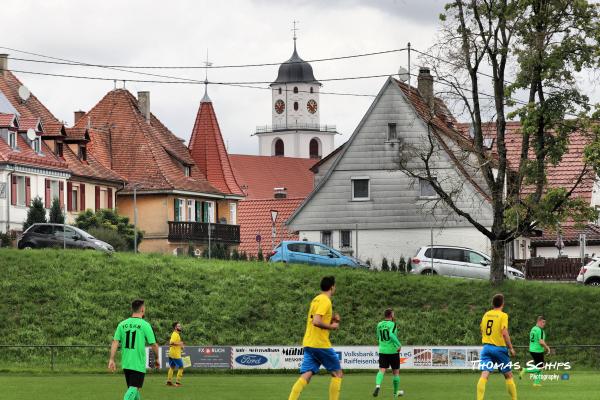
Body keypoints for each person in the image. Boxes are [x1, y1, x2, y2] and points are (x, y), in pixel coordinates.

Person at [288, 276, 342, 400]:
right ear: (332, 287)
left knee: (307, 374)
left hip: (309, 343)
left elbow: (316, 319)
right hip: (320, 344)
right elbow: (317, 321)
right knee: (337, 374)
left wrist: (332, 320)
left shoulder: (316, 299)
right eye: (335, 286)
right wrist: (333, 326)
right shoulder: (325, 300)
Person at [109, 299, 160, 400]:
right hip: (138, 363)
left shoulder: (122, 324)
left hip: (126, 362)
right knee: (133, 388)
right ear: (142, 309)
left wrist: (111, 359)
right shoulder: (145, 325)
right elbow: (153, 344)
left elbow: (115, 342)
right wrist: (157, 358)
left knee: (134, 389)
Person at [477, 293, 517, 400]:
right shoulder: (503, 315)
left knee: (484, 375)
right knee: (508, 376)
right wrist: (511, 348)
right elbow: (504, 333)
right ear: (502, 304)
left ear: (493, 303)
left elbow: (482, 329)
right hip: (499, 349)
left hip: (486, 348)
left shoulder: (486, 314)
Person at [373, 308, 403, 398]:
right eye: (393, 314)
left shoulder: (379, 324)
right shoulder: (392, 324)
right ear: (391, 315)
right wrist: (399, 344)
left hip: (382, 351)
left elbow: (378, 337)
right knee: (396, 373)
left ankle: (378, 385)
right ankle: (395, 394)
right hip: (393, 351)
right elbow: (391, 334)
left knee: (381, 370)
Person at [520, 316, 550, 386]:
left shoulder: (533, 328)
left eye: (544, 322)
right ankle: (525, 370)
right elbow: (541, 342)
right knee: (540, 367)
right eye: (543, 322)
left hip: (532, 349)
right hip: (538, 351)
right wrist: (547, 347)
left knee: (539, 366)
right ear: (538, 321)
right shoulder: (540, 330)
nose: (544, 324)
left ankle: (536, 382)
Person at [166, 322, 185, 386]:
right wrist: (180, 344)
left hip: (172, 353)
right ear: (175, 327)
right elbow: (171, 342)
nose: (180, 327)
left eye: (180, 326)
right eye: (179, 326)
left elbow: (174, 343)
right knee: (181, 367)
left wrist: (180, 346)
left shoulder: (176, 334)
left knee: (172, 367)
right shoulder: (175, 334)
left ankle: (169, 381)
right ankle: (177, 382)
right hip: (175, 354)